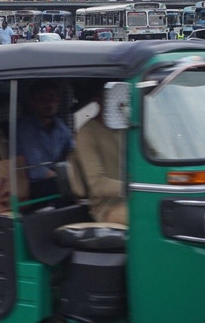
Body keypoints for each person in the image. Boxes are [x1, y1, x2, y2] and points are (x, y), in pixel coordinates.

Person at [73, 85, 127, 224]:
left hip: (135, 198)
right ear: (99, 100)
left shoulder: (126, 129)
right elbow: (97, 185)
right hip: (108, 207)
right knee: (149, 218)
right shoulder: (87, 132)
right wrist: (134, 187)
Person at [16, 80, 74, 198]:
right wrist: (64, 179)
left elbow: (73, 151)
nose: (49, 104)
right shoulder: (25, 128)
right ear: (33, 103)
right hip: (30, 185)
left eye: (52, 99)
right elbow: (35, 169)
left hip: (53, 180)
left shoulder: (60, 126)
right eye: (42, 99)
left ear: (58, 102)